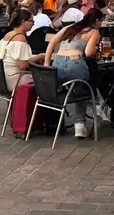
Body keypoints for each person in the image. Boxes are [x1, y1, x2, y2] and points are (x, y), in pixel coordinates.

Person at [44, 9, 104, 138]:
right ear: (97, 21)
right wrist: (96, 51)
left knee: (79, 86)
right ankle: (89, 114)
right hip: (75, 63)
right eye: (101, 22)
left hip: (58, 63)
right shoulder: (94, 32)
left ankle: (86, 118)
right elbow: (88, 53)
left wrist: (47, 62)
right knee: (84, 85)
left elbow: (52, 42)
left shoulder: (70, 27)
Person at [0, 8, 43, 92]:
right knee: (45, 80)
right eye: (31, 21)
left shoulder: (8, 35)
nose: (33, 24)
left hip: (3, 78)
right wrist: (40, 56)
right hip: (15, 79)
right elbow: (22, 65)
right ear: (23, 21)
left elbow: (12, 57)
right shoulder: (20, 38)